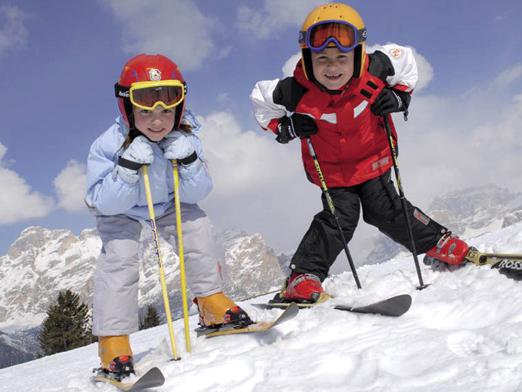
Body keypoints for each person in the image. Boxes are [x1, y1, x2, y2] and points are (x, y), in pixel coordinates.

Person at [250, 2, 470, 303]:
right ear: (306, 58)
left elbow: (407, 61)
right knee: (340, 218)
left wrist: (399, 97)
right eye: (322, 59)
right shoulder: (294, 91)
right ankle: (303, 276)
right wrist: (286, 127)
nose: (332, 67)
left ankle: (439, 244)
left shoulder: (378, 67)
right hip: (333, 173)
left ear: (358, 55)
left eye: (341, 57)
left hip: (374, 159)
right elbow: (260, 101)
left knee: (388, 209)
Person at [85, 54, 252, 380]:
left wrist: (189, 161)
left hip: (167, 204)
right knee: (120, 260)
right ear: (128, 108)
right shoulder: (108, 145)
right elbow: (102, 202)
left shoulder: (186, 137)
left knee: (197, 227)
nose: (157, 121)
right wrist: (127, 170)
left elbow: (196, 193)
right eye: (146, 112)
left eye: (166, 111)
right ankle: (113, 341)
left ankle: (210, 302)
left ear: (179, 106)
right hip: (122, 211)